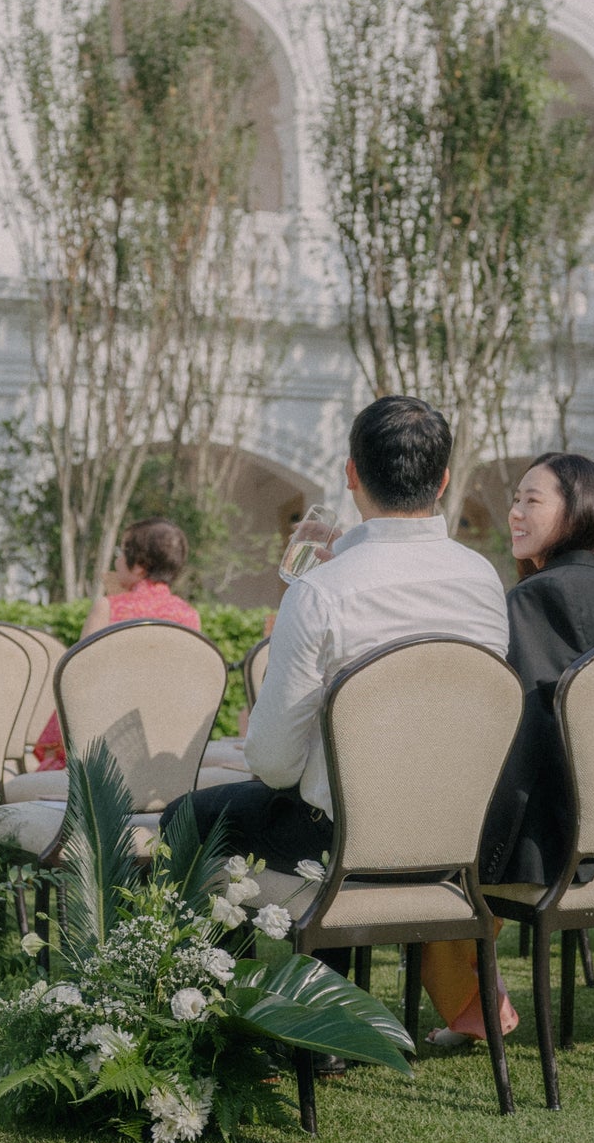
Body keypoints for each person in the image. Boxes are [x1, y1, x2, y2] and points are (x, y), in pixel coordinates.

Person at [164, 398, 511, 1025]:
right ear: (444, 480)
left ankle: (241, 1019)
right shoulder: (482, 579)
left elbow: (270, 763)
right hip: (454, 835)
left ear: (351, 475)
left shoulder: (322, 593)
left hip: (338, 838)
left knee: (185, 820)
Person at [415, 453, 594, 1050]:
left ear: (578, 511)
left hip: (539, 841)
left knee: (421, 863)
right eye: (516, 500)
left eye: (532, 501)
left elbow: (507, 731)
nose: (515, 513)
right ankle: (476, 1001)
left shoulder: (529, 600)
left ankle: (475, 1007)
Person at [32, 519, 201, 772]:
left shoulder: (109, 607)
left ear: (141, 565)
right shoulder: (190, 616)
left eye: (122, 552)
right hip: (164, 749)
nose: (117, 560)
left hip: (103, 751)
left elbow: (76, 679)